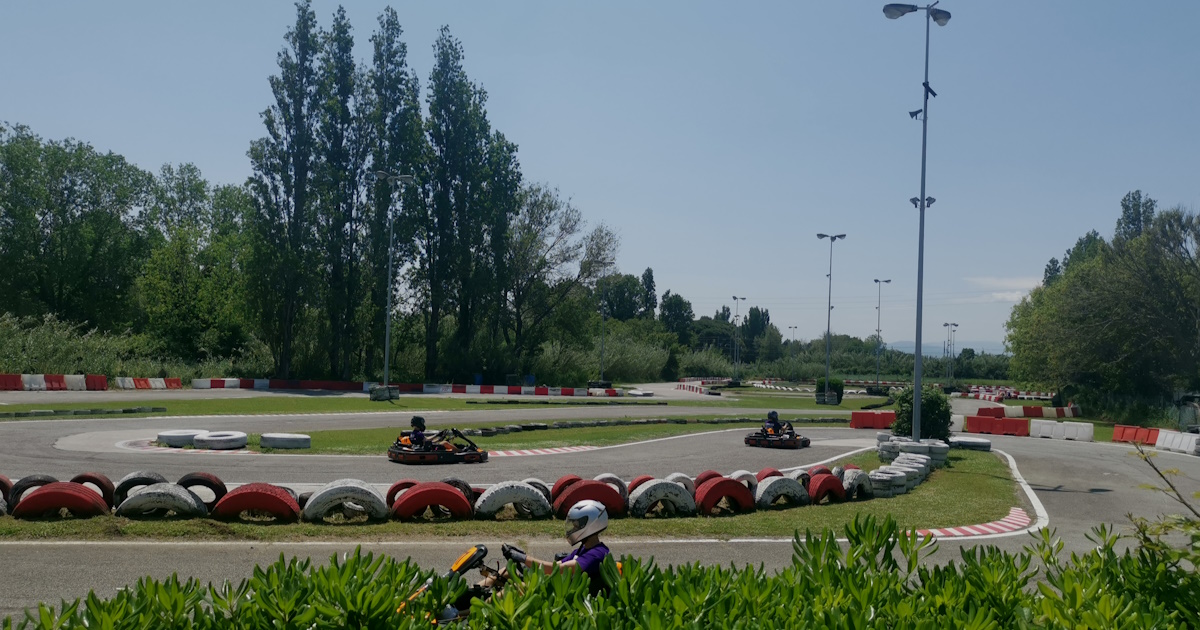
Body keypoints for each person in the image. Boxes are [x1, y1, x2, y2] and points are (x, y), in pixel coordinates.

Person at [500, 500, 612, 595]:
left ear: (588, 525)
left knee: (514, 588)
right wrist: (524, 560)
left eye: (576, 524)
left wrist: (523, 558)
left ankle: (489, 608)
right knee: (505, 572)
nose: (573, 528)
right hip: (558, 585)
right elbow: (554, 566)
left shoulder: (597, 554)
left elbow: (556, 570)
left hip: (563, 594)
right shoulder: (582, 550)